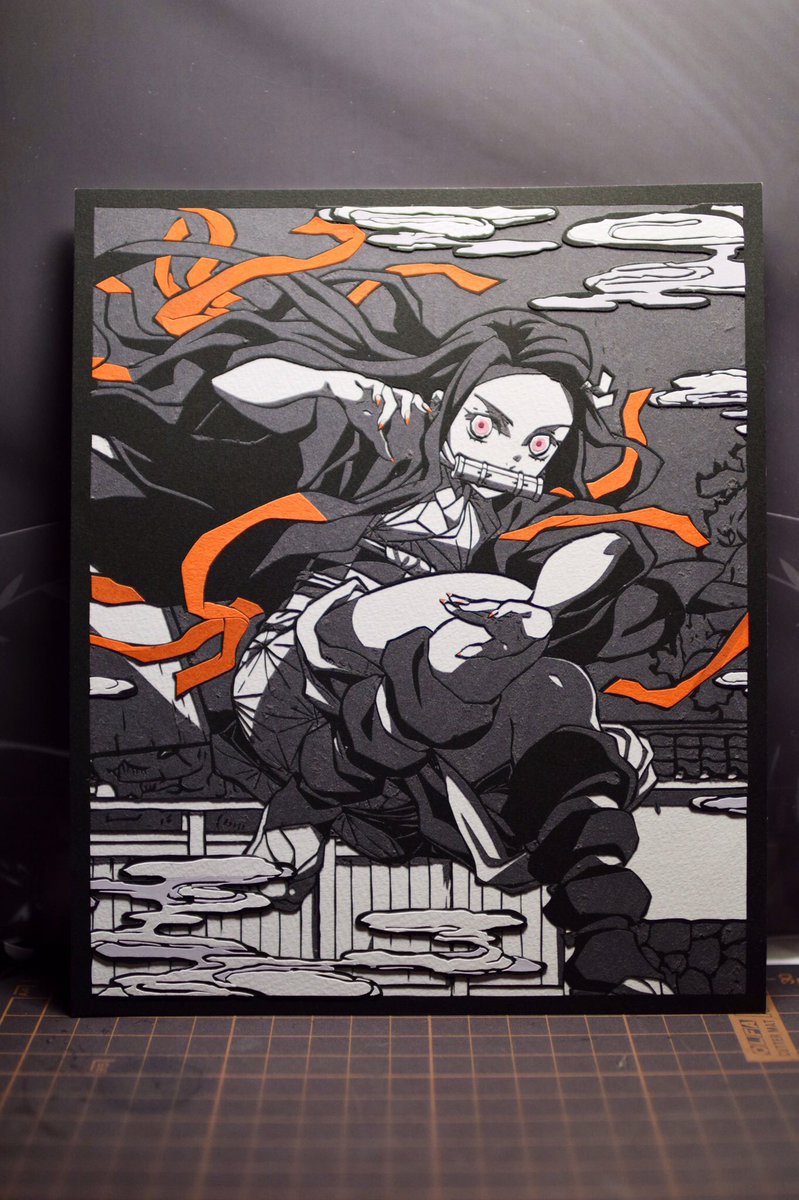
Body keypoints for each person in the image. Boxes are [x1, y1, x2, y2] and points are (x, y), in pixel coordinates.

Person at [88, 247, 733, 993]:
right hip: (302, 672)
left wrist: (540, 609)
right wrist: (336, 384)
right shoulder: (384, 452)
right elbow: (234, 386)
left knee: (553, 689)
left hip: (422, 728)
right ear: (450, 405)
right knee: (439, 629)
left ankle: (606, 945)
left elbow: (603, 544)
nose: (512, 455)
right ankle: (362, 748)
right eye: (487, 426)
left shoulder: (522, 515)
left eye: (539, 443)